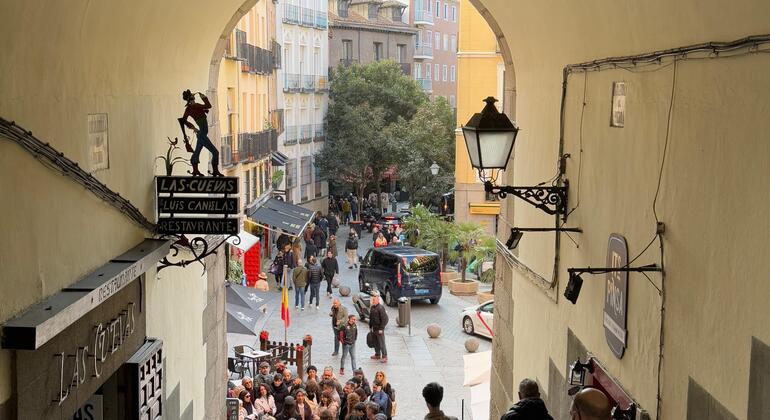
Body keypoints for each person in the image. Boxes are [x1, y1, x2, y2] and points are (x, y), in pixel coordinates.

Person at [178, 89, 222, 177]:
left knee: (197, 151)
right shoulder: (196, 106)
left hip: (201, 133)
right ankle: (215, 171)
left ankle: (195, 170)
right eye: (192, 96)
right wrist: (204, 97)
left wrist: (193, 127)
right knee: (215, 152)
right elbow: (208, 106)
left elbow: (183, 120)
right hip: (202, 134)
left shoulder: (189, 108)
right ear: (191, 98)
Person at [368, 292, 389, 362]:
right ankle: (377, 354)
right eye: (372, 300)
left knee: (381, 343)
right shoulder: (372, 307)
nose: (372, 301)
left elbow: (385, 319)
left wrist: (381, 328)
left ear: (377, 300)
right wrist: (370, 326)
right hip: (374, 328)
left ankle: (384, 356)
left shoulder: (380, 308)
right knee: (376, 342)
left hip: (379, 329)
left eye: (374, 300)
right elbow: (371, 318)